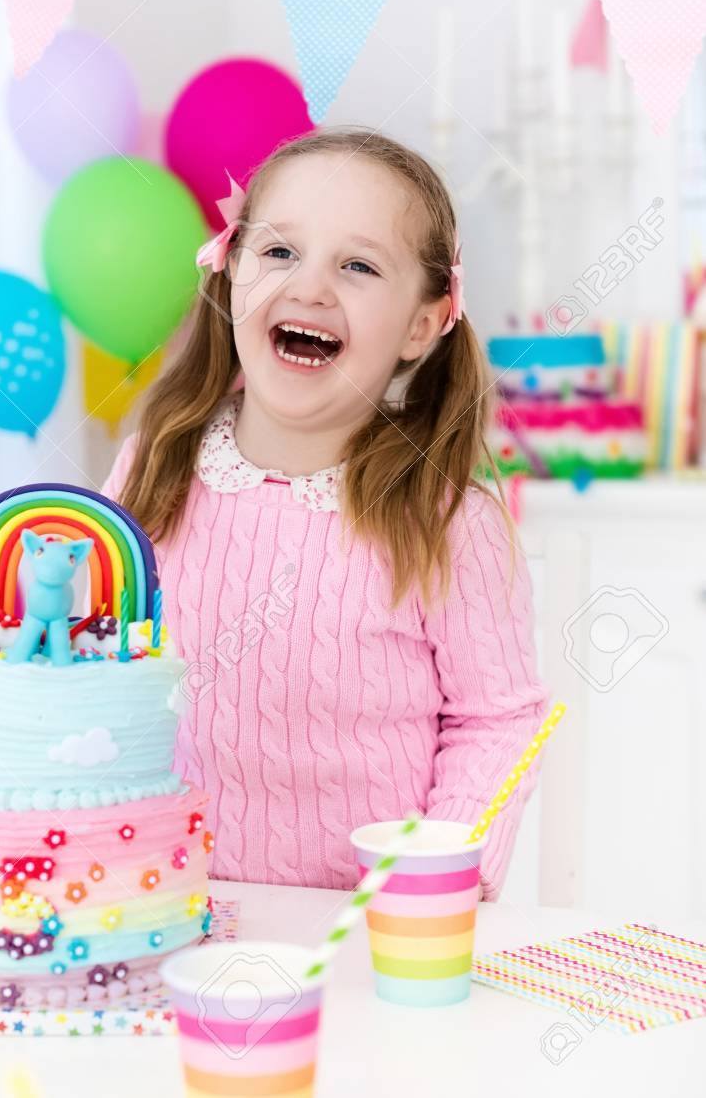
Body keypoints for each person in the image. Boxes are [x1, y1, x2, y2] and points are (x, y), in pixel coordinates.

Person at [103, 126, 549, 899]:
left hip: (366, 933)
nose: (310, 287)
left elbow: (497, 722)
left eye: (358, 265)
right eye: (279, 251)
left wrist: (435, 876)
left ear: (422, 323)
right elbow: (94, 671)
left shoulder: (446, 521)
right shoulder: (151, 468)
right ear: (232, 269)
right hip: (163, 908)